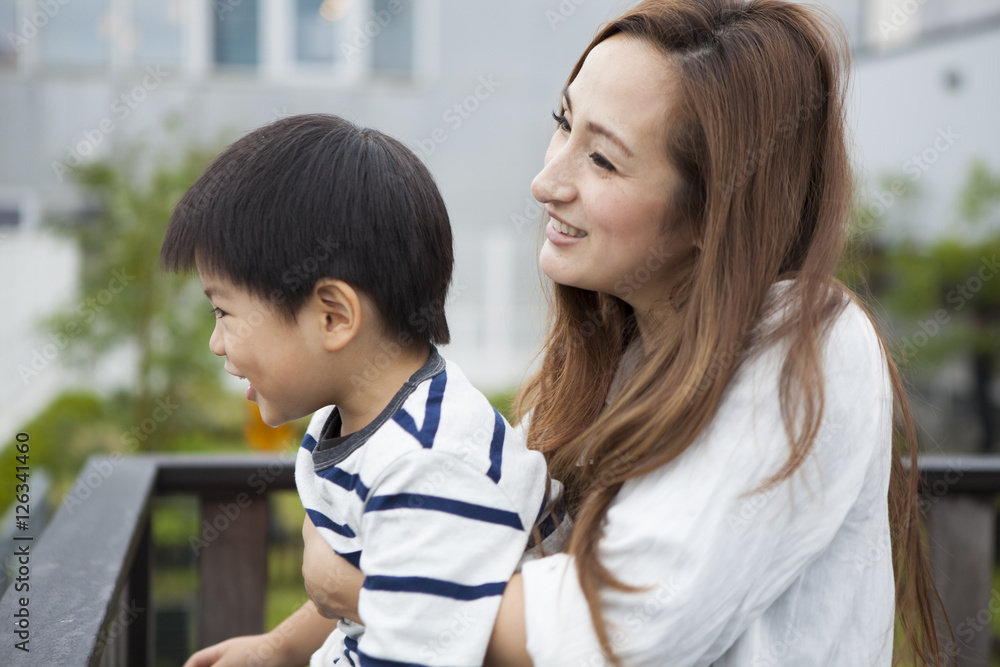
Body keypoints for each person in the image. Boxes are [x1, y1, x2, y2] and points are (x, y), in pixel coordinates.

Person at [299, 1, 951, 666]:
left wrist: (352, 585)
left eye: (603, 160)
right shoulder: (615, 353)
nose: (545, 180)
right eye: (562, 123)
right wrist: (277, 644)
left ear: (715, 208)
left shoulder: (807, 343)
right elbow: (469, 533)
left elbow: (616, 625)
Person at [161, 114, 551, 667]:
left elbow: (416, 648)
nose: (216, 342)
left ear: (333, 316)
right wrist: (274, 650)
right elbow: (360, 590)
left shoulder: (430, 464)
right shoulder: (364, 422)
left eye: (225, 312)